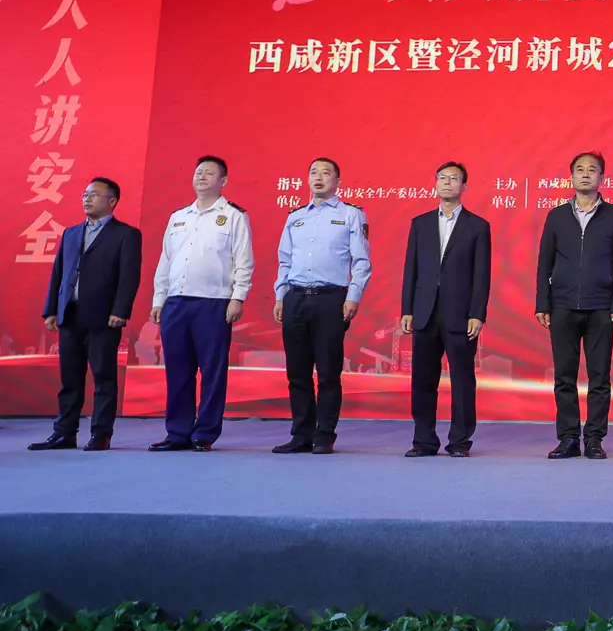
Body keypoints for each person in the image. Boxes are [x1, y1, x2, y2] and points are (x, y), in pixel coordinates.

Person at [28, 177, 142, 452]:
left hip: (104, 317)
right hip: (70, 314)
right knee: (69, 379)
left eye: (94, 194)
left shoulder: (126, 234)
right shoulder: (71, 233)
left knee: (103, 377)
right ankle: (64, 433)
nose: (87, 199)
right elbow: (58, 272)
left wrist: (120, 310)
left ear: (112, 201)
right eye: (85, 194)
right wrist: (51, 309)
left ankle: (101, 434)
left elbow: (129, 277)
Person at [149, 155, 253, 452]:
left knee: (212, 371)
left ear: (223, 181)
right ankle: (177, 432)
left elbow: (243, 260)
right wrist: (159, 298)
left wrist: (238, 297)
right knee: (177, 371)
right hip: (176, 302)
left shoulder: (233, 216)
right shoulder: (179, 216)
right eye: (198, 172)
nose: (202, 177)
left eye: (209, 173)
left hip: (214, 303)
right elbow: (166, 260)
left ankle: (204, 433)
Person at [535, 151, 613, 460]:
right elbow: (544, 262)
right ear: (571, 177)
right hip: (562, 305)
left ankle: (594, 438)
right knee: (564, 376)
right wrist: (543, 302)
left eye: (592, 170)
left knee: (599, 377)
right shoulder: (556, 216)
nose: (586, 174)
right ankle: (568, 438)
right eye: (580, 170)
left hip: (602, 307)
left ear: (602, 178)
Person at [271, 157, 371, 455]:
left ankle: (324, 435)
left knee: (328, 372)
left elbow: (361, 261)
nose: (319, 177)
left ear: (337, 181)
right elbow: (285, 260)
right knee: (297, 373)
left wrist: (353, 295)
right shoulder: (295, 217)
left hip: (331, 299)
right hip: (296, 297)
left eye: (326, 173)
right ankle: (301, 434)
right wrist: (280, 295)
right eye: (313, 172)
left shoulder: (351, 214)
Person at [400, 161, 490, 458]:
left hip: (460, 314)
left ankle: (460, 442)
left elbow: (481, 274)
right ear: (435, 183)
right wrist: (407, 309)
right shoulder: (420, 223)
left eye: (454, 178)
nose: (447, 182)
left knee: (462, 381)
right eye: (442, 177)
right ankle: (423, 441)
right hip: (425, 312)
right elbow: (411, 270)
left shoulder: (478, 226)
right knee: (422, 380)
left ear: (464, 186)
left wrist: (477, 313)